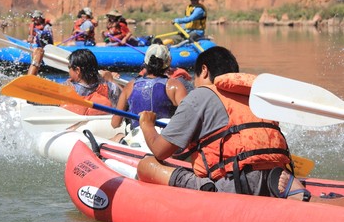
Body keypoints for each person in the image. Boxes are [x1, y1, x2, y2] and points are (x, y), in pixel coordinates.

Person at [135, 46, 344, 207]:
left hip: (233, 186)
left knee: (146, 164)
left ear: (205, 71)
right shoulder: (256, 97)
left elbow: (160, 150)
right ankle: (302, 196)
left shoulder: (201, 94)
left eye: (197, 78)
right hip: (275, 178)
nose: (195, 84)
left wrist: (147, 125)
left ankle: (206, 188)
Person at [111, 44, 187, 131]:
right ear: (168, 64)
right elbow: (188, 117)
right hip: (164, 138)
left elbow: (115, 123)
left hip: (136, 139)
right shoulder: (175, 86)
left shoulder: (130, 86)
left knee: (118, 136)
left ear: (145, 63)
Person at [61, 49, 121, 115]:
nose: (69, 71)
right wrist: (111, 80)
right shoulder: (110, 87)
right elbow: (124, 104)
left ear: (77, 70)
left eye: (69, 68)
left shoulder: (66, 89)